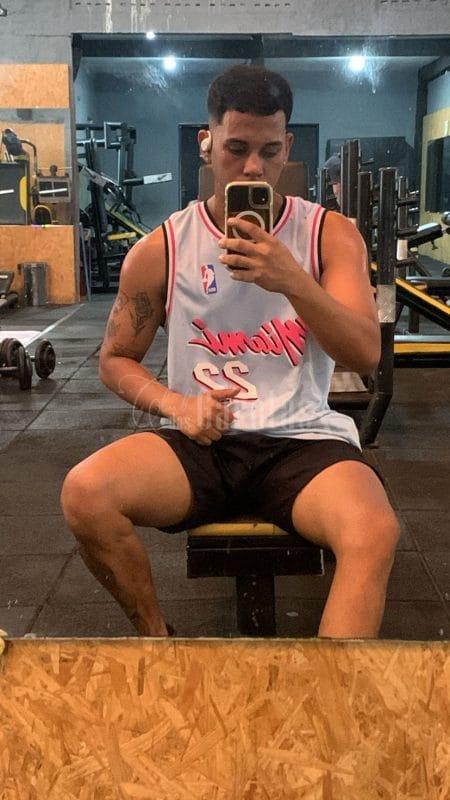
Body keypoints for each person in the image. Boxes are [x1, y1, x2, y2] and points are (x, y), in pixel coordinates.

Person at [61, 65, 399, 639]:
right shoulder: (162, 249)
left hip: (302, 440)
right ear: (207, 142)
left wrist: (292, 280)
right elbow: (114, 360)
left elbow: (366, 355)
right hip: (204, 444)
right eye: (236, 148)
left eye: (270, 151)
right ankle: (158, 640)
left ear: (287, 146)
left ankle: (331, 693)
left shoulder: (329, 235)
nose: (253, 168)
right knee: (85, 493)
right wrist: (177, 405)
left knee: (374, 531)